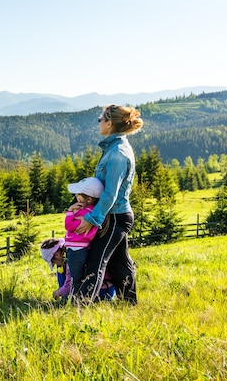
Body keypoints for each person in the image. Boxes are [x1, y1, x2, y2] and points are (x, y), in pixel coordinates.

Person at [73, 104, 143, 304]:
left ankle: (80, 305)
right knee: (119, 261)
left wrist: (92, 218)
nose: (99, 122)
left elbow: (110, 193)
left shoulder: (117, 154)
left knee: (96, 260)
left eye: (100, 119)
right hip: (115, 214)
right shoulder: (114, 148)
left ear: (109, 123)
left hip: (114, 216)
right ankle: (130, 303)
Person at [40, 238, 115, 302]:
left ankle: (65, 297)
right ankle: (65, 296)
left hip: (101, 291)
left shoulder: (71, 260)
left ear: (57, 255)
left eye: (53, 262)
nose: (55, 264)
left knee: (60, 267)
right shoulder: (71, 250)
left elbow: (70, 285)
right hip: (107, 288)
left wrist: (56, 293)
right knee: (60, 268)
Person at [64, 177, 104, 296]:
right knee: (80, 275)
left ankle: (75, 299)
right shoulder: (93, 213)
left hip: (76, 248)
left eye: (78, 194)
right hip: (81, 247)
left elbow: (69, 225)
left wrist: (70, 211)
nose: (76, 196)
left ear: (89, 198)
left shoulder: (85, 213)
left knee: (75, 277)